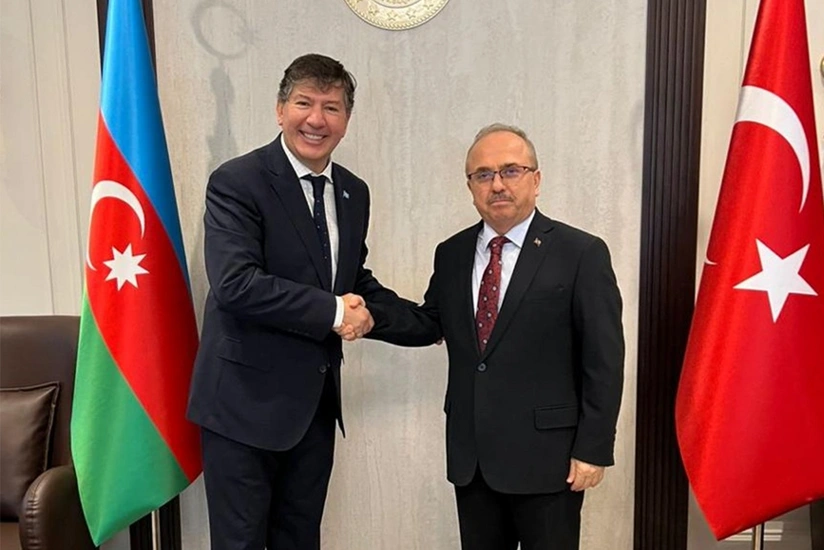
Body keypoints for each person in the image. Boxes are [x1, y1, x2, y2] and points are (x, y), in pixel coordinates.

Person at [369, 123, 625, 550]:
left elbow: (604, 359)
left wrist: (594, 449)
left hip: (550, 460)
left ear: (536, 179)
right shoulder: (451, 253)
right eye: (483, 174)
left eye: (511, 170)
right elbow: (431, 323)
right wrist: (369, 316)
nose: (497, 184)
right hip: (474, 458)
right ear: (470, 186)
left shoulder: (580, 253)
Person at [187, 53, 400, 550]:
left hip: (312, 411)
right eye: (304, 103)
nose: (316, 119)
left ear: (347, 119)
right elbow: (236, 283)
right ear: (280, 109)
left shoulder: (353, 192)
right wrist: (335, 313)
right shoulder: (237, 181)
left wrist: (436, 323)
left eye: (332, 107)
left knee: (301, 541)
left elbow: (352, 282)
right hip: (241, 407)